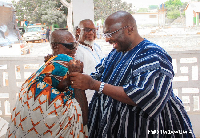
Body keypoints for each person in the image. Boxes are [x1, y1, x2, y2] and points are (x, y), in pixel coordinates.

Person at [69, 11, 195, 138]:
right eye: (105, 34)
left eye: (111, 33)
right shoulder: (116, 53)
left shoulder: (152, 54)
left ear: (130, 29)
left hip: (144, 129)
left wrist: (95, 85)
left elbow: (146, 94)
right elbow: (98, 74)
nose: (107, 39)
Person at [6, 30, 88, 138]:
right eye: (70, 45)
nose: (75, 48)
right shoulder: (64, 61)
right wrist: (77, 77)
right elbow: (83, 117)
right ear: (55, 46)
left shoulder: (46, 69)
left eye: (76, 44)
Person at [75, 19, 104, 104]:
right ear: (78, 31)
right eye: (87, 30)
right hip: (87, 98)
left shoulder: (96, 47)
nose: (91, 33)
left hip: (101, 95)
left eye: (94, 30)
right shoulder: (76, 50)